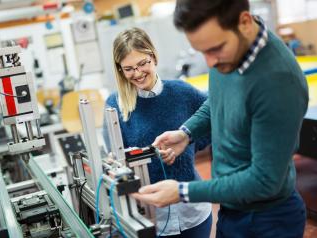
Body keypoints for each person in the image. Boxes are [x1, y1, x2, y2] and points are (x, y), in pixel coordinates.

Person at [132, 1, 309, 238]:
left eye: (214, 49)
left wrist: (183, 192)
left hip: (268, 220)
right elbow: (217, 101)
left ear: (244, 22)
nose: (210, 63)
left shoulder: (278, 81)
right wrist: (186, 132)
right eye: (202, 51)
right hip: (231, 210)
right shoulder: (227, 53)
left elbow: (264, 181)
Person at [104, 27, 212, 238]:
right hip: (150, 217)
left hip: (193, 211)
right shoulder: (115, 105)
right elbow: (116, 158)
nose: (137, 73)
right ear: (120, 70)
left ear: (153, 57)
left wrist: (187, 145)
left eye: (142, 63)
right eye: (128, 69)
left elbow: (211, 122)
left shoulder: (182, 92)